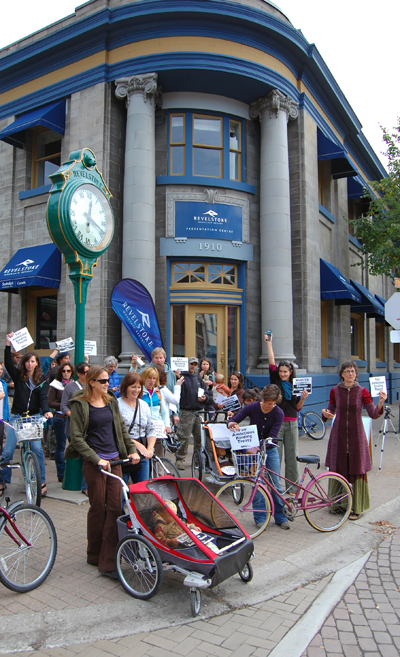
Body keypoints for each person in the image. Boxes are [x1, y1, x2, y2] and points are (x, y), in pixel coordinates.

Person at [66, 365, 140, 578]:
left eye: (108, 381)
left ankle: (108, 562)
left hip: (114, 461)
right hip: (95, 463)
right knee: (98, 508)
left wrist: (132, 450)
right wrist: (96, 459)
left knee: (115, 509)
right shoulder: (79, 404)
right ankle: (94, 554)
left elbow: (121, 430)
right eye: (103, 381)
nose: (108, 384)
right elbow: (77, 438)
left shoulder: (111, 401)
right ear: (92, 382)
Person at [322, 361, 386, 520]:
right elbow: (329, 411)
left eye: (352, 371)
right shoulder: (335, 391)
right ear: (342, 374)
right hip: (339, 435)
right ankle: (338, 504)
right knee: (339, 466)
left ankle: (357, 507)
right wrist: (325, 413)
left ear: (356, 374)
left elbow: (373, 413)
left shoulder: (362, 391)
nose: (350, 374)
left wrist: (381, 402)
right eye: (347, 371)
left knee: (356, 467)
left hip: (357, 435)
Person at [227, 384, 289, 530]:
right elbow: (235, 418)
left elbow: (272, 437)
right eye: (266, 403)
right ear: (262, 399)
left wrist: (257, 447)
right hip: (253, 451)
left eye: (272, 404)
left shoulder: (278, 413)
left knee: (276, 484)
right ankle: (260, 517)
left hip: (269, 449)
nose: (268, 406)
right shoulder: (253, 407)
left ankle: (280, 516)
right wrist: (231, 423)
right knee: (256, 483)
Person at [3, 334, 53, 496]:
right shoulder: (19, 377)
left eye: (33, 361)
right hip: (17, 417)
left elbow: (44, 397)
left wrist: (46, 411)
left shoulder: (41, 379)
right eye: (27, 361)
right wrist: (8, 344)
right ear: (24, 363)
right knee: (8, 451)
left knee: (37, 449)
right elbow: (9, 364)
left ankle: (41, 481)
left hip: (33, 418)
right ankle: (2, 480)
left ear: (37, 363)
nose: (30, 364)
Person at [265, 333, 308, 493]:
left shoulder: (296, 385)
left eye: (286, 371)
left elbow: (297, 407)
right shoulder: (275, 381)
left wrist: (303, 398)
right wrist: (269, 343)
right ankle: (274, 487)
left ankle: (292, 488)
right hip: (276, 423)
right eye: (281, 371)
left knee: (292, 457)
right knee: (275, 456)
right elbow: (271, 361)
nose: (283, 374)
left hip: (292, 422)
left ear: (291, 372)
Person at [118, 371, 157, 483]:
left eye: (139, 387)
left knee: (142, 488)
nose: (136, 390)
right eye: (133, 387)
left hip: (143, 452)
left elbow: (150, 428)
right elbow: (117, 432)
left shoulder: (143, 405)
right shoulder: (117, 405)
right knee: (122, 488)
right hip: (125, 450)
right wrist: (136, 444)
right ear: (126, 387)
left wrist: (149, 449)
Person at [175, 357, 211, 470]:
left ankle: (197, 460)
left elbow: (208, 395)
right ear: (187, 365)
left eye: (195, 364)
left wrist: (205, 398)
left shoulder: (199, 379)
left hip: (198, 412)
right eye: (191, 364)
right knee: (183, 437)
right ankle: (180, 459)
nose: (193, 366)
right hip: (186, 412)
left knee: (199, 438)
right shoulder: (181, 377)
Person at [60, 361, 90, 496]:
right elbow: (63, 406)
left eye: (88, 372)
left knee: (87, 453)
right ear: (78, 373)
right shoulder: (70, 387)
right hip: (74, 426)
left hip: (88, 425)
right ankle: (81, 483)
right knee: (81, 452)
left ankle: (86, 484)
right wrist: (72, 414)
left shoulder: (91, 386)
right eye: (84, 372)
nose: (86, 375)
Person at [48, 363, 74, 483]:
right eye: (64, 371)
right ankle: (61, 473)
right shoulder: (55, 385)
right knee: (61, 446)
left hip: (72, 417)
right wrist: (64, 405)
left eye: (68, 371)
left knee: (74, 444)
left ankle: (72, 471)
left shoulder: (74, 385)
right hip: (60, 417)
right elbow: (50, 402)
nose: (66, 373)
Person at [0, 362, 11, 496]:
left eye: (1, 369)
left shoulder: (2, 383)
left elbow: (5, 402)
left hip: (1, 419)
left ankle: (2, 481)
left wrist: (6, 416)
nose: (0, 371)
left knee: (2, 450)